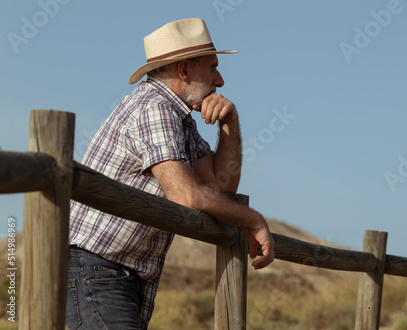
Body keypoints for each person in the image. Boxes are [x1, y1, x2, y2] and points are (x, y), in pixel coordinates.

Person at [66, 18, 275, 330]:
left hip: (108, 272)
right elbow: (186, 195)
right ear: (185, 71)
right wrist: (252, 220)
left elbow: (222, 185)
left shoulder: (181, 120)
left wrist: (230, 122)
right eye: (213, 68)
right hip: (96, 268)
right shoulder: (155, 108)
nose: (220, 81)